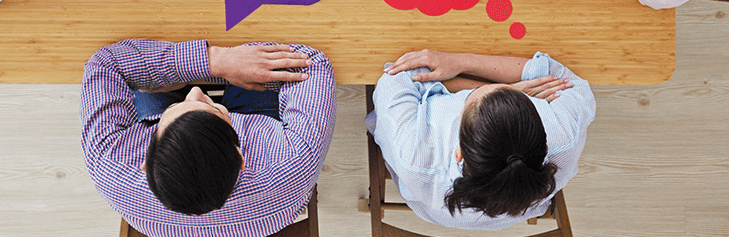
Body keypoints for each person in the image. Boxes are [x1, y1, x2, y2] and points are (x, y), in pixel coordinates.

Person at [81, 39, 335, 236]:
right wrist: (223, 62)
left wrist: (211, 63)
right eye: (211, 107)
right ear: (241, 156)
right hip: (264, 157)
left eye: (173, 113)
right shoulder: (290, 164)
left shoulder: (111, 165)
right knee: (268, 60)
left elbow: (105, 63)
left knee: (146, 83)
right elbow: (310, 62)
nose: (195, 91)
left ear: (147, 163)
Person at [367, 48, 594, 230]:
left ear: (459, 153)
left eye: (469, 101)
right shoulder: (564, 137)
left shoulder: (414, 156)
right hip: (512, 213)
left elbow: (396, 75)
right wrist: (467, 69)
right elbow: (569, 80)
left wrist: (462, 67)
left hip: (431, 206)